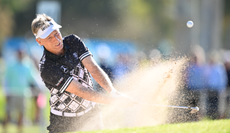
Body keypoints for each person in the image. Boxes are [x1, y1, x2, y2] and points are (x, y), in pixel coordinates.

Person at [31, 14, 137, 133]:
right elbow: (80, 91)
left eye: (56, 33)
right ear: (39, 41)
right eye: (49, 38)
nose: (56, 40)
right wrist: (114, 102)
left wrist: (112, 91)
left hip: (90, 113)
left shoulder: (73, 41)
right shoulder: (47, 67)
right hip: (63, 122)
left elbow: (93, 68)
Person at [3, 49, 38, 133]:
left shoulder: (27, 65)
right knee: (8, 112)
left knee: (22, 113)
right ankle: (4, 130)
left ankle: (19, 130)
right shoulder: (11, 65)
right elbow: (6, 79)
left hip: (23, 93)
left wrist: (38, 86)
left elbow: (32, 78)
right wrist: (6, 91)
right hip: (12, 92)